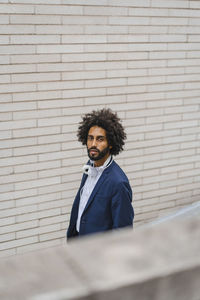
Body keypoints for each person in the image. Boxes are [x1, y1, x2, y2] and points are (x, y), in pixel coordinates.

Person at [67, 108, 134, 239]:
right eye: (90, 138)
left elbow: (122, 232)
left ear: (110, 143)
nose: (93, 144)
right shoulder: (90, 165)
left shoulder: (118, 183)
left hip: (99, 253)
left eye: (100, 139)